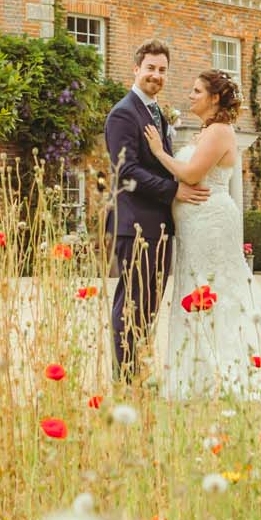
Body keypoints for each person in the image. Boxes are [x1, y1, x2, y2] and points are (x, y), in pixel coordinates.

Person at [142, 69, 261, 399]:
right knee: (195, 288)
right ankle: (197, 376)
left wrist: (158, 153)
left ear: (214, 98)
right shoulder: (207, 132)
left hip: (210, 223)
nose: (191, 94)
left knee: (215, 291)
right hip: (194, 226)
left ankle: (229, 371)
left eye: (197, 91)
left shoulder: (219, 131)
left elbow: (193, 173)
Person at [103, 40, 209, 383]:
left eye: (162, 70)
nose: (156, 75)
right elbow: (127, 170)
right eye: (150, 68)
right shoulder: (123, 112)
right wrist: (174, 190)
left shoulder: (155, 111)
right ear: (136, 69)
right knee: (131, 302)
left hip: (158, 226)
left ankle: (138, 369)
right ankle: (124, 377)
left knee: (148, 304)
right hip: (135, 224)